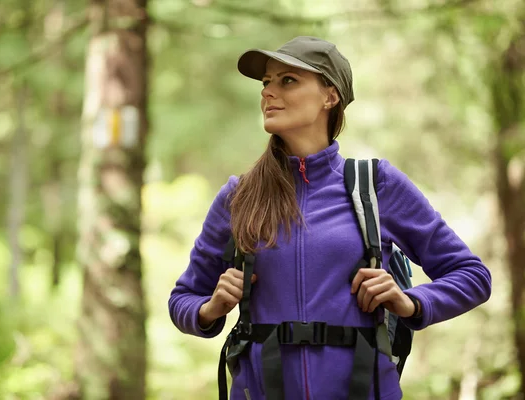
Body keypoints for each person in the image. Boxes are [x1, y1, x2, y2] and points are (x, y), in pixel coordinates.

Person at [168, 36, 492, 400]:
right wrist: (210, 309)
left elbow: (472, 276)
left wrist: (410, 302)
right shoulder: (238, 196)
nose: (268, 93)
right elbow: (182, 299)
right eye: (266, 83)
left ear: (330, 96)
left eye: (287, 80)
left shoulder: (376, 185)